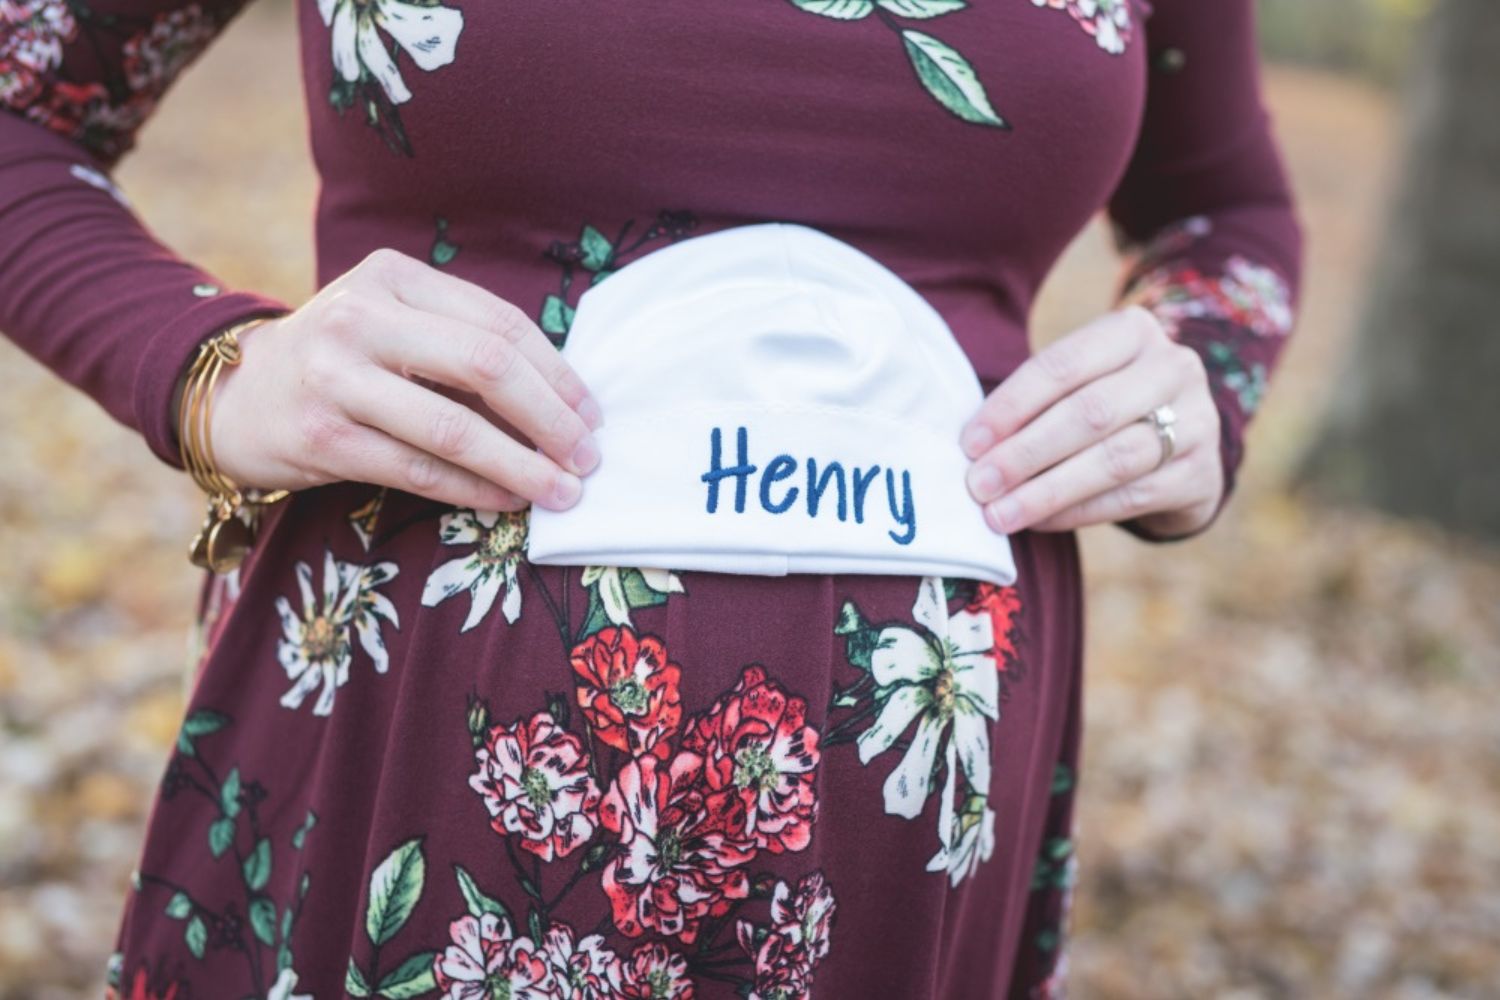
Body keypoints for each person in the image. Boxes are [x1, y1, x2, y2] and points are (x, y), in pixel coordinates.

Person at [0, 0, 1302, 995]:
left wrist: (1199, 389)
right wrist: (208, 367)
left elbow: (1226, 213)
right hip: (423, 758)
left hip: (926, 809)